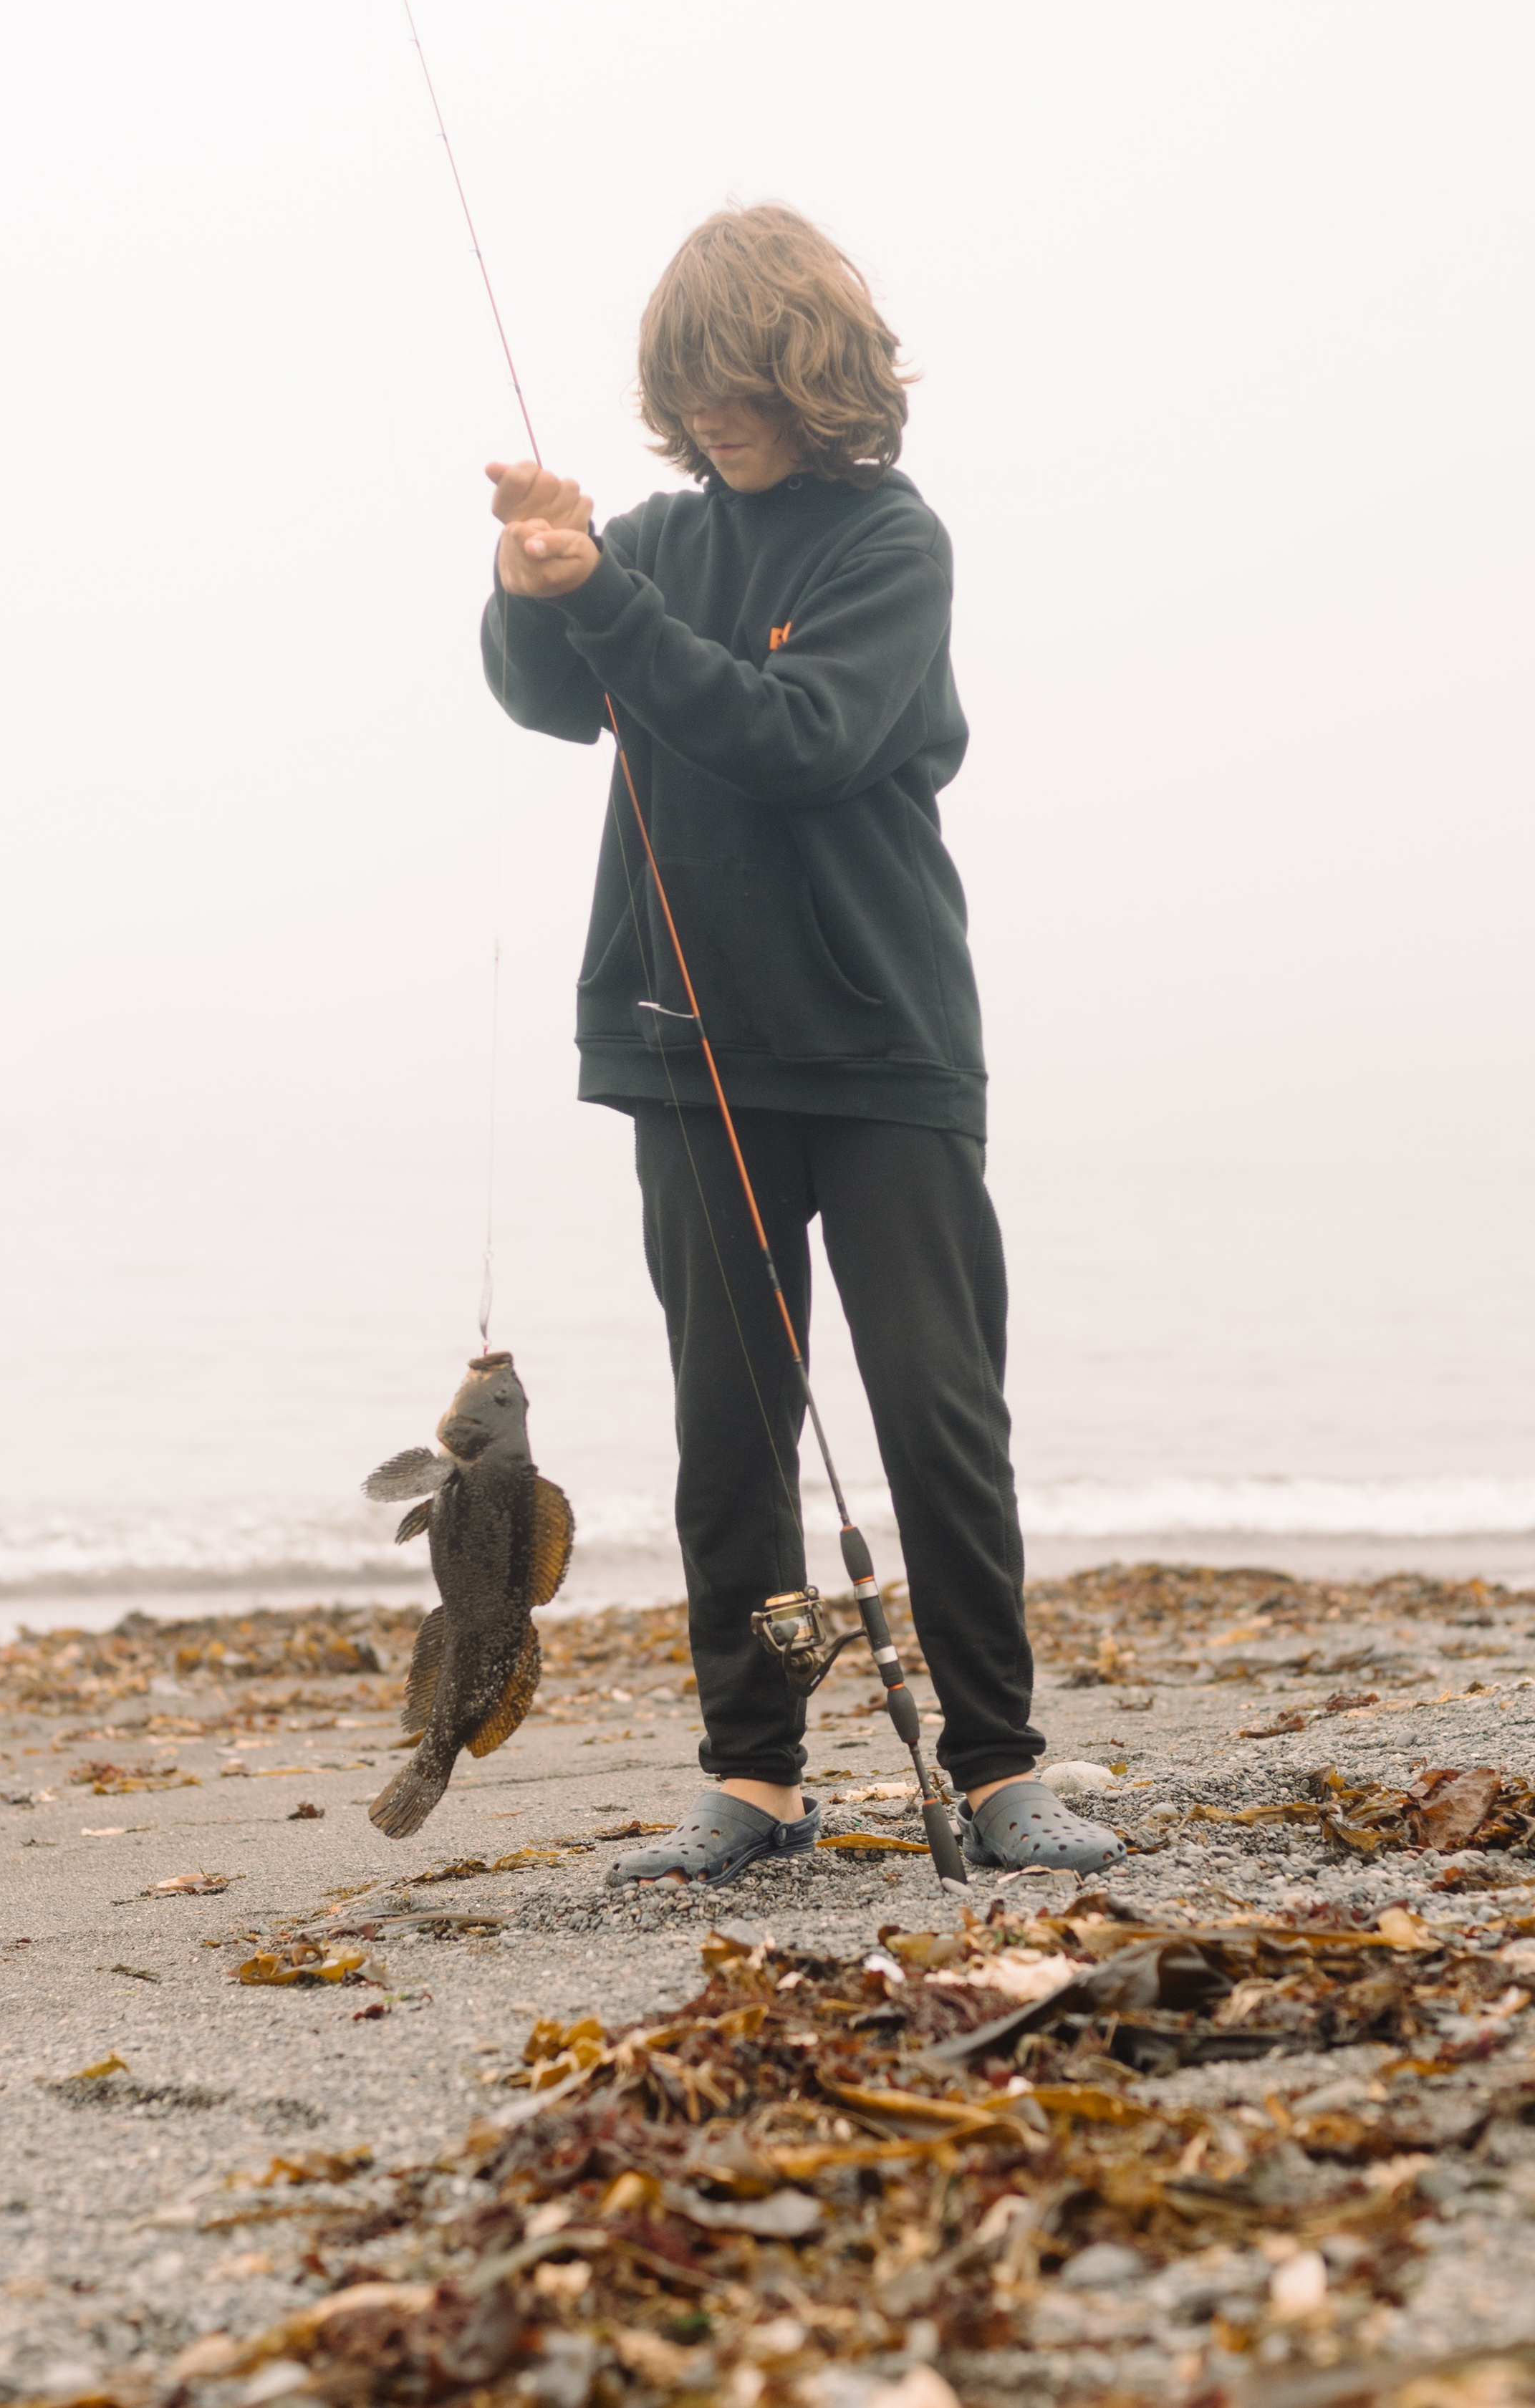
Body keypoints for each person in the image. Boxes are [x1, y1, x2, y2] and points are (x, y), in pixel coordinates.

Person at [481, 203, 1121, 1886]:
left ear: (810, 368)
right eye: (685, 389)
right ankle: (752, 1780)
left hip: (882, 1045)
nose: (710, 416)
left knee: (933, 1412)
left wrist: (606, 604)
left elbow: (800, 736)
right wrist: (532, 587)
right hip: (681, 1047)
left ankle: (998, 1769)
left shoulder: (888, 544)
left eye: (738, 379)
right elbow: (560, 697)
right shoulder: (656, 543)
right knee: (728, 1429)